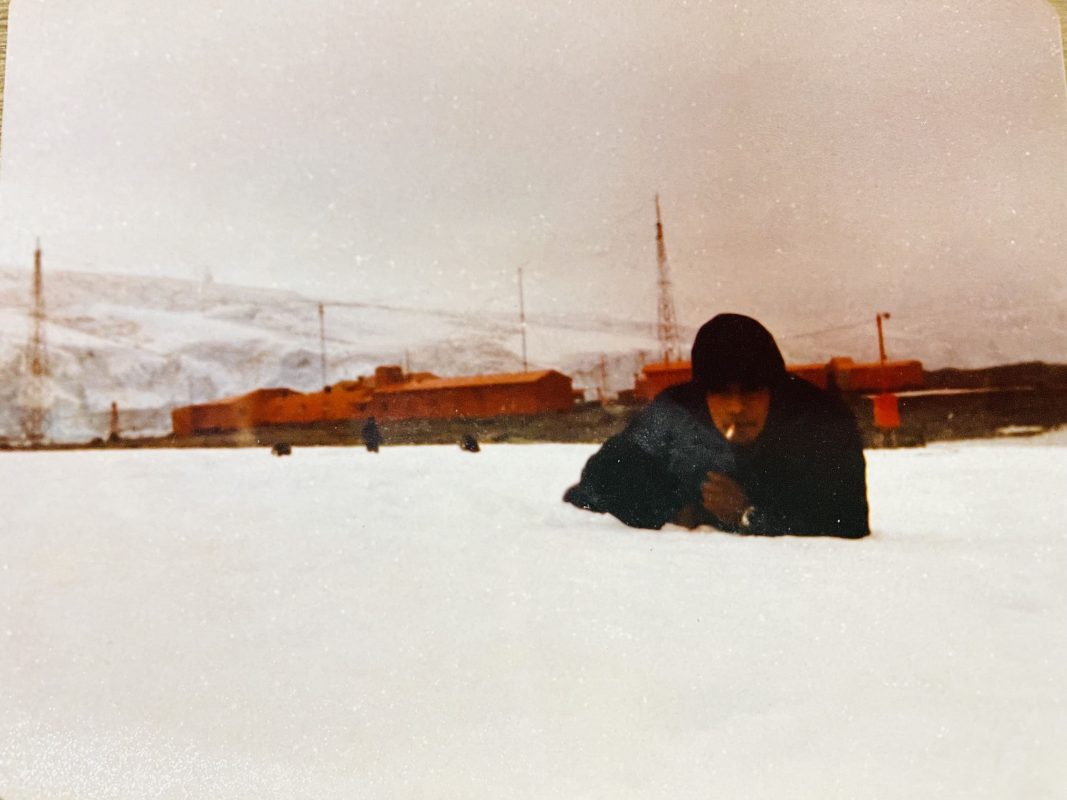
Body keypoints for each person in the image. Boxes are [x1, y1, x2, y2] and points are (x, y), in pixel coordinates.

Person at [563, 313, 870, 537]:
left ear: (774, 389)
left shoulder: (819, 422)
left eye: (751, 391)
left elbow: (849, 524)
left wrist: (748, 516)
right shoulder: (675, 411)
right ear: (704, 392)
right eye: (722, 392)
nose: (737, 407)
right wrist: (670, 508)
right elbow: (593, 487)